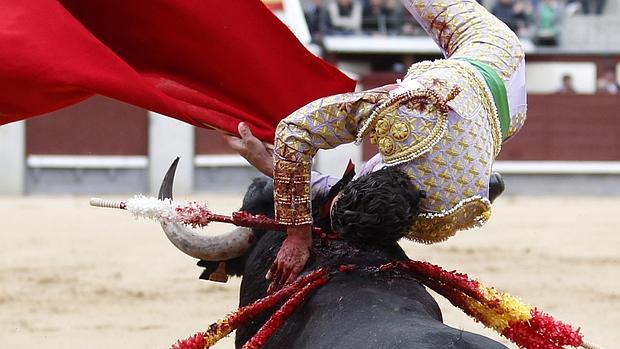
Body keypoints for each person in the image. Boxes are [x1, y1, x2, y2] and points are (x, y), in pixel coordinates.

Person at [233, 0, 526, 289]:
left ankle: (484, 179)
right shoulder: (408, 112)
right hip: (494, 53)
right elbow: (294, 130)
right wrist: (298, 234)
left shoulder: (436, 217)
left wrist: (274, 170)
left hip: (503, 121)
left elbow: (329, 185)